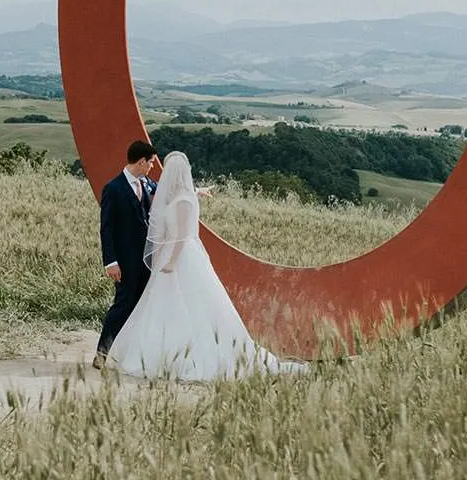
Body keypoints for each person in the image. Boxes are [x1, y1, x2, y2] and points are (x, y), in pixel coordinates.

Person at [106, 151, 308, 380]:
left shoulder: (182, 201)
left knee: (191, 302)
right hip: (170, 254)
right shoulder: (178, 196)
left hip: (181, 256)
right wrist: (198, 191)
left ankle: (186, 355)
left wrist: (171, 261)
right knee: (164, 303)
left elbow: (182, 234)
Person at [94, 139, 160, 369]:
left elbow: (170, 194)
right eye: (151, 162)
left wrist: (194, 192)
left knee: (141, 307)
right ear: (141, 161)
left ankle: (129, 354)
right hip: (125, 260)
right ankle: (102, 353)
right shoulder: (113, 188)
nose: (153, 166)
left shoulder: (149, 184)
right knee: (123, 305)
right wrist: (110, 262)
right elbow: (107, 229)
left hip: (148, 260)